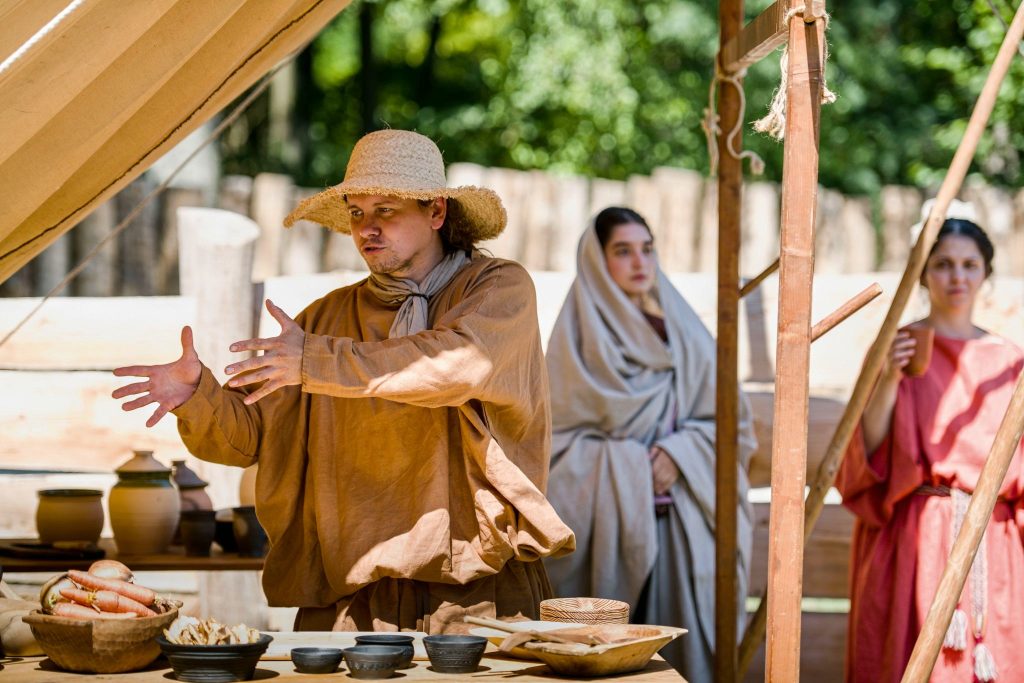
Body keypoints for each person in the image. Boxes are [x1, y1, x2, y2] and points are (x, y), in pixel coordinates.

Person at [112, 129, 575, 632]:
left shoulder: (497, 288)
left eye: (386, 210)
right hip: (352, 602)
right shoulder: (325, 321)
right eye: (357, 213)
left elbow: (457, 364)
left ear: (436, 213)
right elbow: (249, 437)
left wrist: (316, 362)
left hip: (476, 596)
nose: (366, 229)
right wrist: (198, 396)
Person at [542, 207, 756, 680]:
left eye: (647, 248)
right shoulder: (575, 342)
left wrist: (682, 454)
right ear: (598, 261)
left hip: (683, 521)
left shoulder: (685, 335)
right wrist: (631, 467)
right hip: (605, 527)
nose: (640, 262)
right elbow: (550, 445)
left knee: (684, 656)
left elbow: (731, 427)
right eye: (622, 251)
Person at [837, 204, 1024, 682]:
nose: (956, 277)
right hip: (915, 538)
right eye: (942, 264)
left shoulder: (1010, 363)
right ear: (922, 275)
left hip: (993, 541)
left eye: (968, 264)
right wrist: (889, 381)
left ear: (985, 273)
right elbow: (863, 458)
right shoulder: (897, 346)